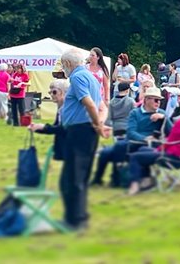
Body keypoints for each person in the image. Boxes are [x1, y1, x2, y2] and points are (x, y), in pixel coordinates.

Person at [59, 49, 108, 232]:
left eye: (63, 66)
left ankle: (75, 220)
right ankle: (79, 217)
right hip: (86, 130)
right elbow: (102, 106)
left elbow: (88, 103)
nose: (63, 70)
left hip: (80, 131)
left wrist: (97, 124)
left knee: (72, 178)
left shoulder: (78, 78)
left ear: (69, 64)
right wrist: (99, 123)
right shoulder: (91, 77)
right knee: (79, 177)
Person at [126, 93, 180, 195]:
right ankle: (147, 181)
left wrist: (158, 150)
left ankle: (135, 186)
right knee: (142, 150)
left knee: (135, 157)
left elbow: (170, 141)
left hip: (173, 157)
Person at [93, 86, 166, 185]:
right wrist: (145, 138)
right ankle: (98, 179)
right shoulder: (135, 113)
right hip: (133, 142)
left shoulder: (162, 114)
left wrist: (164, 118)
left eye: (160, 100)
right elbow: (131, 132)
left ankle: (117, 178)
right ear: (147, 99)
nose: (158, 103)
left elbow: (171, 131)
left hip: (147, 147)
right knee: (106, 152)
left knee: (119, 146)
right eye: (156, 100)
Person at [30, 78, 69, 161]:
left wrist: (44, 127)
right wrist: (37, 128)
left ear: (63, 92)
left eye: (54, 92)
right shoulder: (61, 108)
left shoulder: (67, 108)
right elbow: (55, 127)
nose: (51, 94)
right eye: (50, 92)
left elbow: (64, 129)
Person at [86, 48, 111, 116]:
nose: (90, 57)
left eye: (93, 55)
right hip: (87, 95)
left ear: (98, 57)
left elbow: (106, 86)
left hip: (99, 97)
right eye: (90, 55)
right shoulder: (85, 68)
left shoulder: (102, 70)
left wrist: (106, 99)